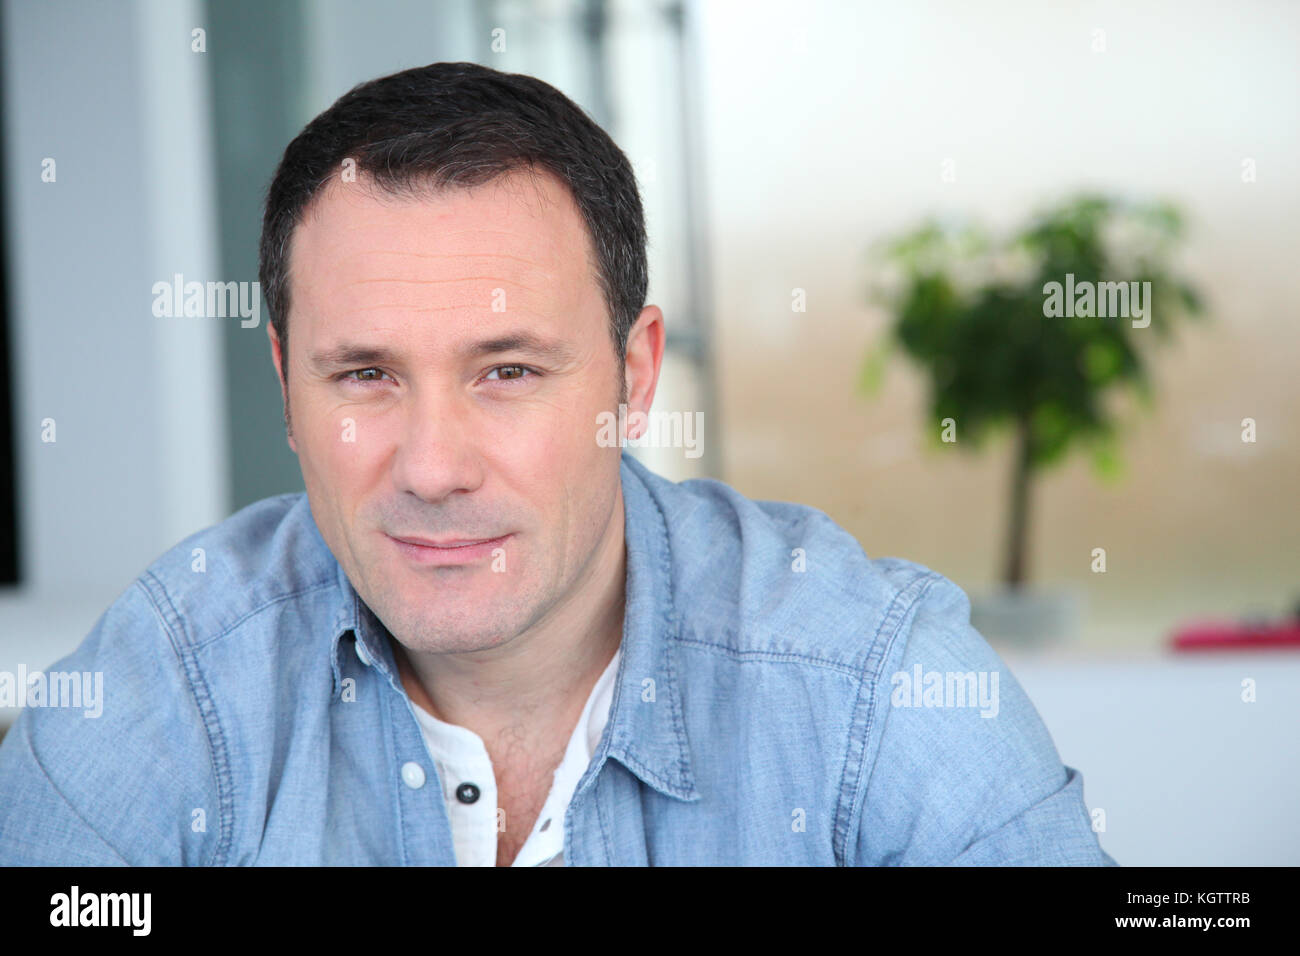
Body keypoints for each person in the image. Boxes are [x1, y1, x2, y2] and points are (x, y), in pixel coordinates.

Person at [0, 61, 1115, 866]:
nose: (432, 467)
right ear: (287, 383)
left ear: (633, 379)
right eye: (364, 376)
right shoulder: (171, 684)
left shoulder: (874, 686)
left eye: (507, 372)